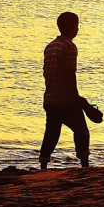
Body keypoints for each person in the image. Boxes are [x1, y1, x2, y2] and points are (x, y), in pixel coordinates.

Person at [38, 12, 90, 169]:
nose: (78, 28)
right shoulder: (70, 46)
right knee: (81, 130)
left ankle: (43, 163)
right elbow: (70, 74)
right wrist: (77, 98)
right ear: (74, 27)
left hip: (50, 98)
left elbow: (46, 72)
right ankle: (84, 164)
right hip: (65, 99)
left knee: (52, 132)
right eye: (77, 24)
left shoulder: (50, 46)